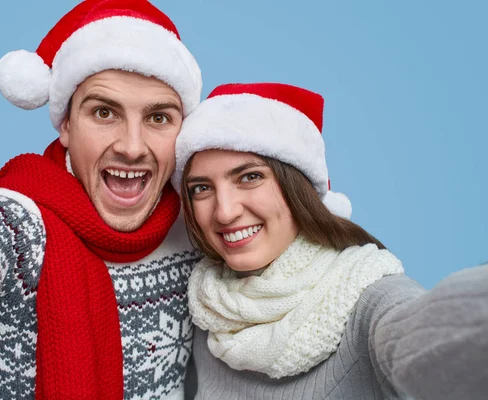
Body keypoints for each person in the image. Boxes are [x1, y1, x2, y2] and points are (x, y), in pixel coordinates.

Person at [0, 1, 203, 399]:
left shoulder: (200, 231)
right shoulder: (9, 231)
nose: (132, 147)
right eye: (105, 112)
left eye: (158, 117)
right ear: (66, 125)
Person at [172, 82, 488, 399]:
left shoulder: (366, 297)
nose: (224, 213)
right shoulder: (207, 307)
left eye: (250, 177)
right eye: (202, 188)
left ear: (298, 188)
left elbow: (430, 339)